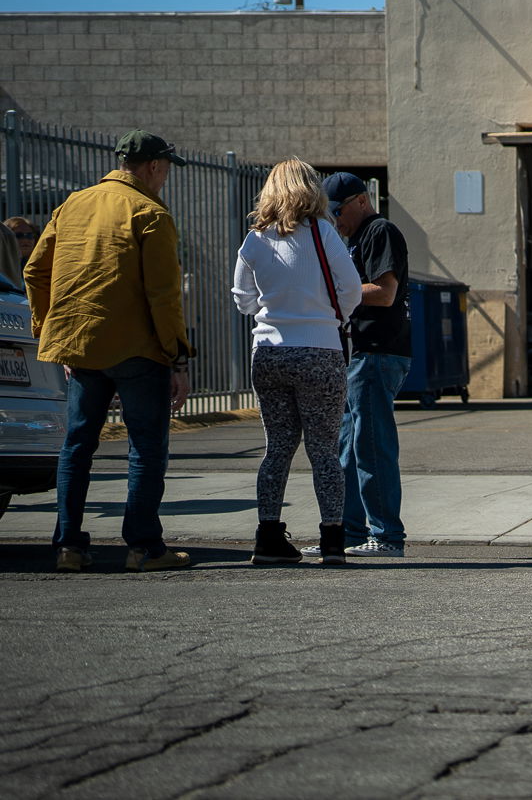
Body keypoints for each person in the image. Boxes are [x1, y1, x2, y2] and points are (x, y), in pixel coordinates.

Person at [24, 131, 193, 573]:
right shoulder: (150, 213)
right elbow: (163, 294)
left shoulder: (72, 204)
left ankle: (69, 548)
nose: (167, 178)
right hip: (139, 350)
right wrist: (178, 357)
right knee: (146, 448)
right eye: (167, 170)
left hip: (81, 348)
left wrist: (49, 329)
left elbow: (34, 270)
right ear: (155, 166)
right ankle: (143, 548)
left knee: (77, 444)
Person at [232, 159, 363, 566]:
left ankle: (268, 536)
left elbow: (242, 299)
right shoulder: (324, 233)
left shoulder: (255, 239)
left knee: (278, 447)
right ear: (312, 190)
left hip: (269, 352)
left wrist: (271, 312)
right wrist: (329, 315)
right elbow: (352, 290)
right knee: (323, 449)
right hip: (320, 351)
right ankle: (332, 540)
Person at [316, 171, 411, 558]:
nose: (335, 221)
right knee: (349, 449)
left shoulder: (378, 231)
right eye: (329, 215)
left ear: (360, 201)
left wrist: (331, 293)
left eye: (337, 211)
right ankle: (351, 532)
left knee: (372, 447)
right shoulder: (354, 240)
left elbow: (385, 293)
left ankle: (387, 535)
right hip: (361, 355)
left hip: (377, 352)